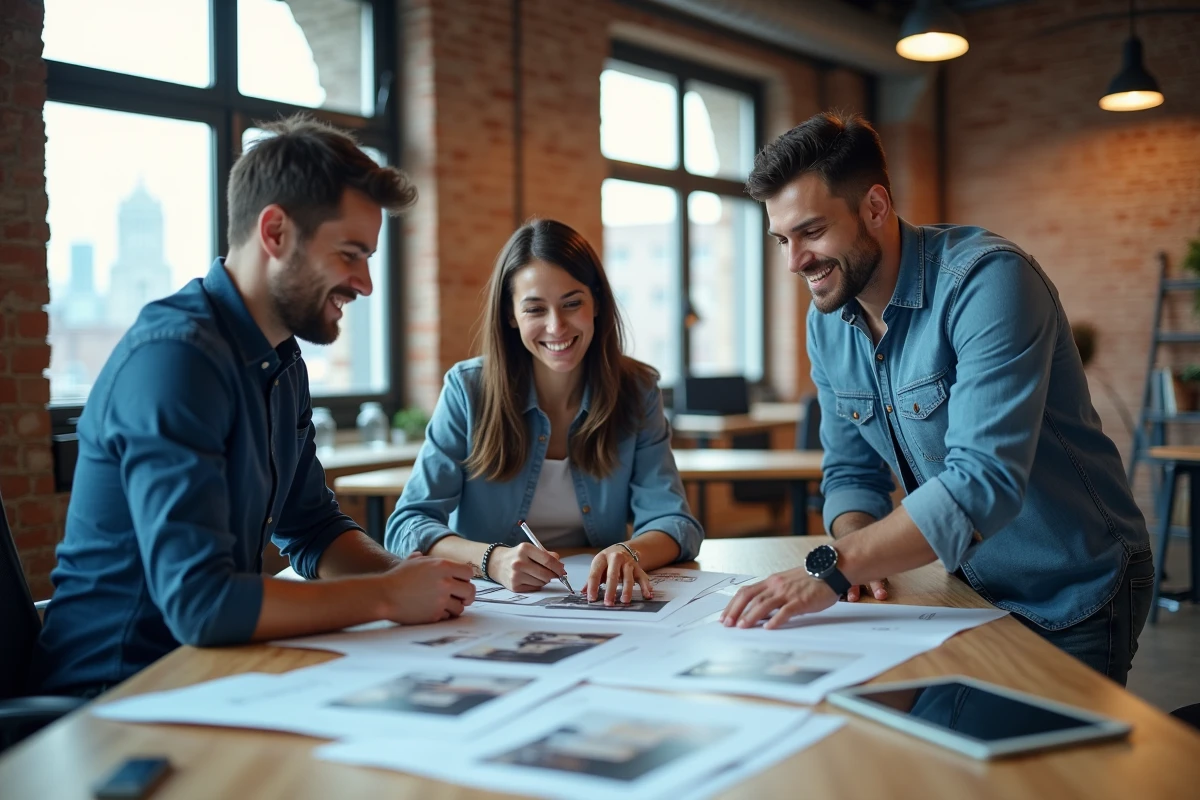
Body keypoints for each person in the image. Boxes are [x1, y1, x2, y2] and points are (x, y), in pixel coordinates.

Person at [32, 115, 475, 698]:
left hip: (213, 675)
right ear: (275, 233)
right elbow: (202, 604)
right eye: (350, 254)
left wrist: (409, 577)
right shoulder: (176, 359)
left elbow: (312, 528)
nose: (365, 284)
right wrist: (388, 596)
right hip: (113, 698)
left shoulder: (281, 358)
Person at [721, 112, 1153, 686]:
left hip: (1073, 589)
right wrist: (858, 557)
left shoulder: (988, 280)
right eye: (782, 239)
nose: (793, 261)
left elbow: (983, 481)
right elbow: (851, 472)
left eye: (812, 232)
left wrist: (832, 568)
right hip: (963, 589)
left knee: (1041, 772)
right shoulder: (827, 321)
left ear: (875, 207)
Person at [387, 219, 701, 605]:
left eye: (572, 303)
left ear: (597, 303)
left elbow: (675, 523)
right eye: (535, 308)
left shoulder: (637, 391)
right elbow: (407, 526)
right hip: (490, 610)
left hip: (597, 605)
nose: (556, 327)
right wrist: (493, 560)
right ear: (510, 315)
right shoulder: (468, 390)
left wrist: (630, 551)